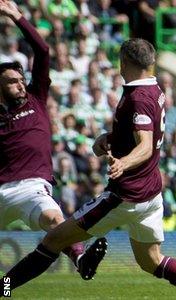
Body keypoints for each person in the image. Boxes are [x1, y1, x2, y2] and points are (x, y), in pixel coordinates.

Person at [5, 38, 176, 300]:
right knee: (151, 261)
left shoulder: (138, 97)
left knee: (52, 241)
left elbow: (145, 144)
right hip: (150, 194)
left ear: (124, 62)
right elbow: (144, 131)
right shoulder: (153, 88)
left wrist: (123, 162)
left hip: (124, 196)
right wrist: (113, 138)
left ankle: (4, 286)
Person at [0, 0, 99, 278]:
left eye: (21, 79)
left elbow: (43, 51)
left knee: (57, 220)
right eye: (12, 81)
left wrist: (17, 16)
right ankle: (5, 286)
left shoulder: (37, 98)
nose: (20, 84)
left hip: (32, 188)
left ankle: (80, 259)